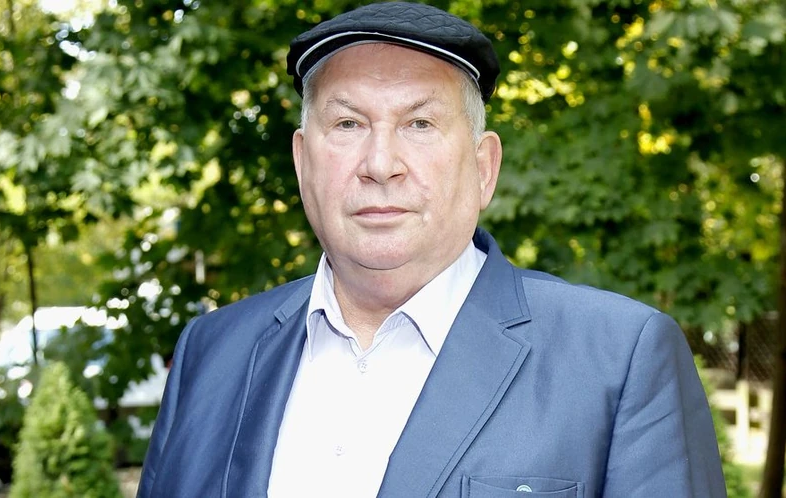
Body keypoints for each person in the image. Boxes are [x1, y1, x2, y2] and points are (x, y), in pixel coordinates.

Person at [137, 3, 727, 497]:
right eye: (347, 124)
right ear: (301, 161)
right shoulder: (210, 355)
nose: (380, 164)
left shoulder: (618, 360)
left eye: (420, 124)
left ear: (484, 167)